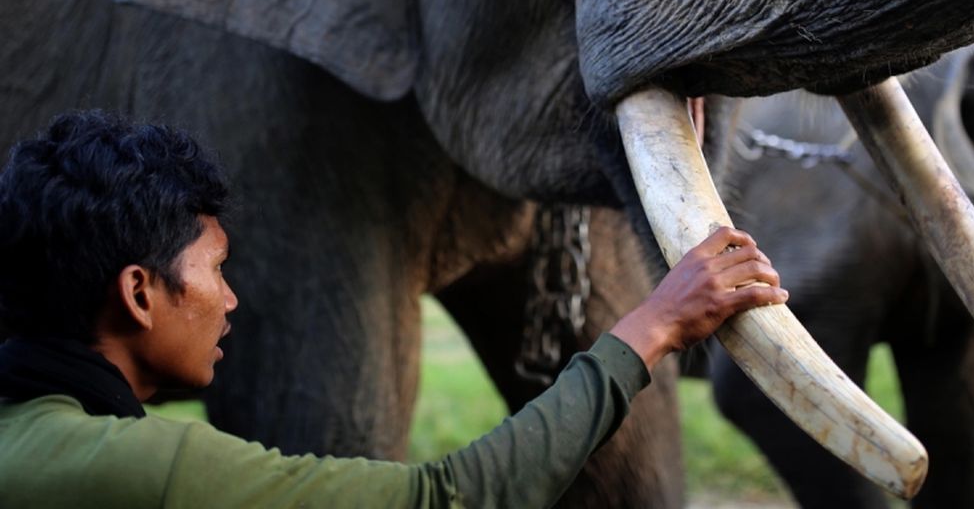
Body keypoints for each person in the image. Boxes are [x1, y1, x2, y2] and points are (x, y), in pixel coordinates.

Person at [0, 110, 787, 508]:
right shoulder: (139, 468)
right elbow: (441, 500)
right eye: (213, 271)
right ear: (139, 294)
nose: (232, 298)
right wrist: (654, 324)